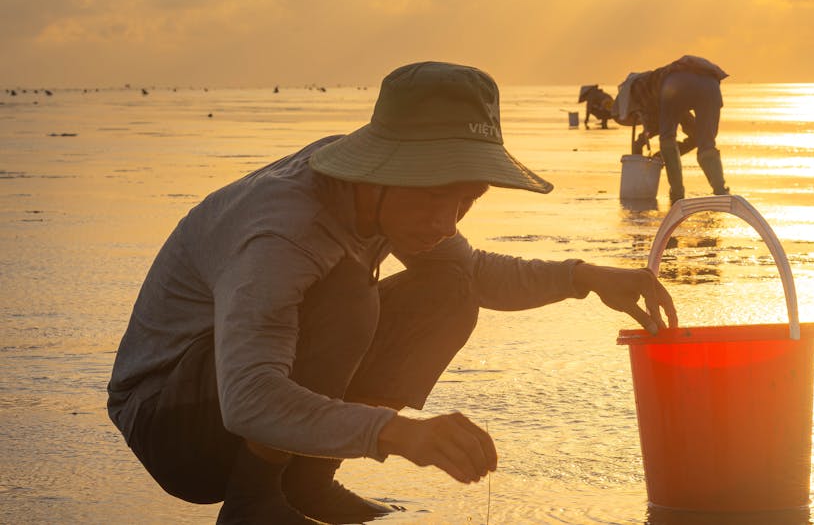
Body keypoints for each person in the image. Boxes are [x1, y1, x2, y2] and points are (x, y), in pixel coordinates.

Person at [106, 61, 678, 525]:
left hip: (234, 402)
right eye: (433, 197)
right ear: (381, 172)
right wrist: (397, 434)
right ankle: (253, 504)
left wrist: (584, 277)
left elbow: (474, 274)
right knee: (347, 294)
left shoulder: (382, 197)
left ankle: (308, 480)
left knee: (450, 288)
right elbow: (250, 397)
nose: (446, 221)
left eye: (467, 200)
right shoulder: (283, 231)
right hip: (171, 422)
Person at [627, 55, 730, 203]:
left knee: (667, 138)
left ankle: (677, 192)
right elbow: (687, 123)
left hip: (675, 87)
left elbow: (656, 123)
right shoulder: (658, 78)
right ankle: (721, 191)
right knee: (707, 144)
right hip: (711, 86)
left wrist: (643, 140)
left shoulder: (645, 89)